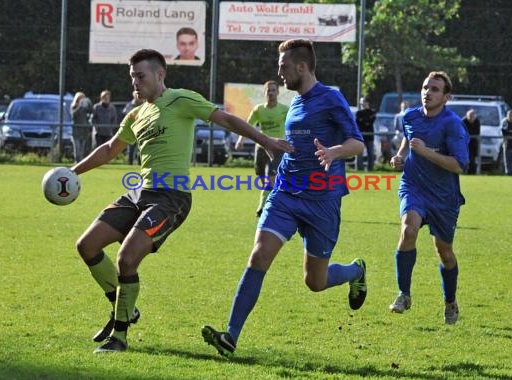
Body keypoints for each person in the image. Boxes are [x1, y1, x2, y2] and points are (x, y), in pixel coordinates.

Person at [70, 49, 292, 354]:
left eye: (140, 76)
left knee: (125, 258)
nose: (135, 82)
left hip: (172, 198)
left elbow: (225, 118)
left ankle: (119, 337)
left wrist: (265, 140)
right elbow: (110, 149)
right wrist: (71, 173)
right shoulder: (136, 114)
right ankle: (125, 306)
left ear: (160, 75)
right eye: (132, 76)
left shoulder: (181, 99)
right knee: (87, 245)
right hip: (139, 192)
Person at [201, 39, 367, 358]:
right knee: (259, 255)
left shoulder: (331, 97)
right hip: (286, 193)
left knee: (315, 282)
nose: (279, 71)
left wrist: (335, 152)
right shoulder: (295, 103)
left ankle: (355, 271)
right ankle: (231, 336)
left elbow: (358, 144)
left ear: (301, 67)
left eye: (283, 66)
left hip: (322, 200)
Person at [389, 71, 469, 325]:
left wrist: (424, 152)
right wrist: (400, 155)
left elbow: (459, 165)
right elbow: (408, 138)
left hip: (444, 196)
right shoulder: (410, 116)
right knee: (408, 229)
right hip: (414, 186)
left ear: (446, 97)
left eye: (434, 89)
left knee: (444, 251)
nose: (427, 92)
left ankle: (450, 301)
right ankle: (404, 294)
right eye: (425, 87)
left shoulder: (452, 124)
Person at [235, 80, 289, 217]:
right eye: (268, 90)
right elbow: (248, 125)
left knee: (270, 179)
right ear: (264, 92)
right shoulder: (258, 109)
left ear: (278, 92)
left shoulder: (284, 110)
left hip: (277, 148)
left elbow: (292, 126)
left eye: (273, 90)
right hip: (260, 148)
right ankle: (275, 202)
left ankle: (262, 208)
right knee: (263, 180)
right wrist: (241, 140)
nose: (270, 93)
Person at [121, 92, 144, 165]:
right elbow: (126, 114)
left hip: (142, 130)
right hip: (131, 131)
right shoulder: (129, 105)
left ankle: (140, 164)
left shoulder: (146, 104)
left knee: (141, 149)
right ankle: (130, 164)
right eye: (136, 95)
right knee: (130, 149)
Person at [70, 92, 93, 162]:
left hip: (84, 132)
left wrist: (89, 104)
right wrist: (79, 106)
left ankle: (80, 163)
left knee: (82, 150)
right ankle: (77, 163)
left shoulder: (85, 108)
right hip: (76, 132)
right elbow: (73, 116)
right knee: (77, 150)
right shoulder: (74, 106)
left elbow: (91, 112)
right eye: (80, 98)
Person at [355, 97, 376, 171]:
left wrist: (364, 120)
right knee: (359, 153)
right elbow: (359, 123)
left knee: (370, 153)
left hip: (370, 135)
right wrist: (365, 121)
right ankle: (360, 169)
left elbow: (370, 121)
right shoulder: (358, 113)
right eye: (361, 102)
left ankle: (370, 169)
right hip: (361, 135)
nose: (361, 103)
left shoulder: (372, 112)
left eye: (363, 101)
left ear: (367, 102)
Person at [462, 109, 481, 174]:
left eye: (472, 116)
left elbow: (477, 132)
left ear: (475, 116)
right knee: (468, 158)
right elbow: (463, 133)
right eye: (470, 116)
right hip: (465, 143)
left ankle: (473, 172)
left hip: (474, 143)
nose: (471, 118)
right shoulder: (463, 121)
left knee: (474, 158)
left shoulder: (477, 121)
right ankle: (467, 171)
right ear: (467, 116)